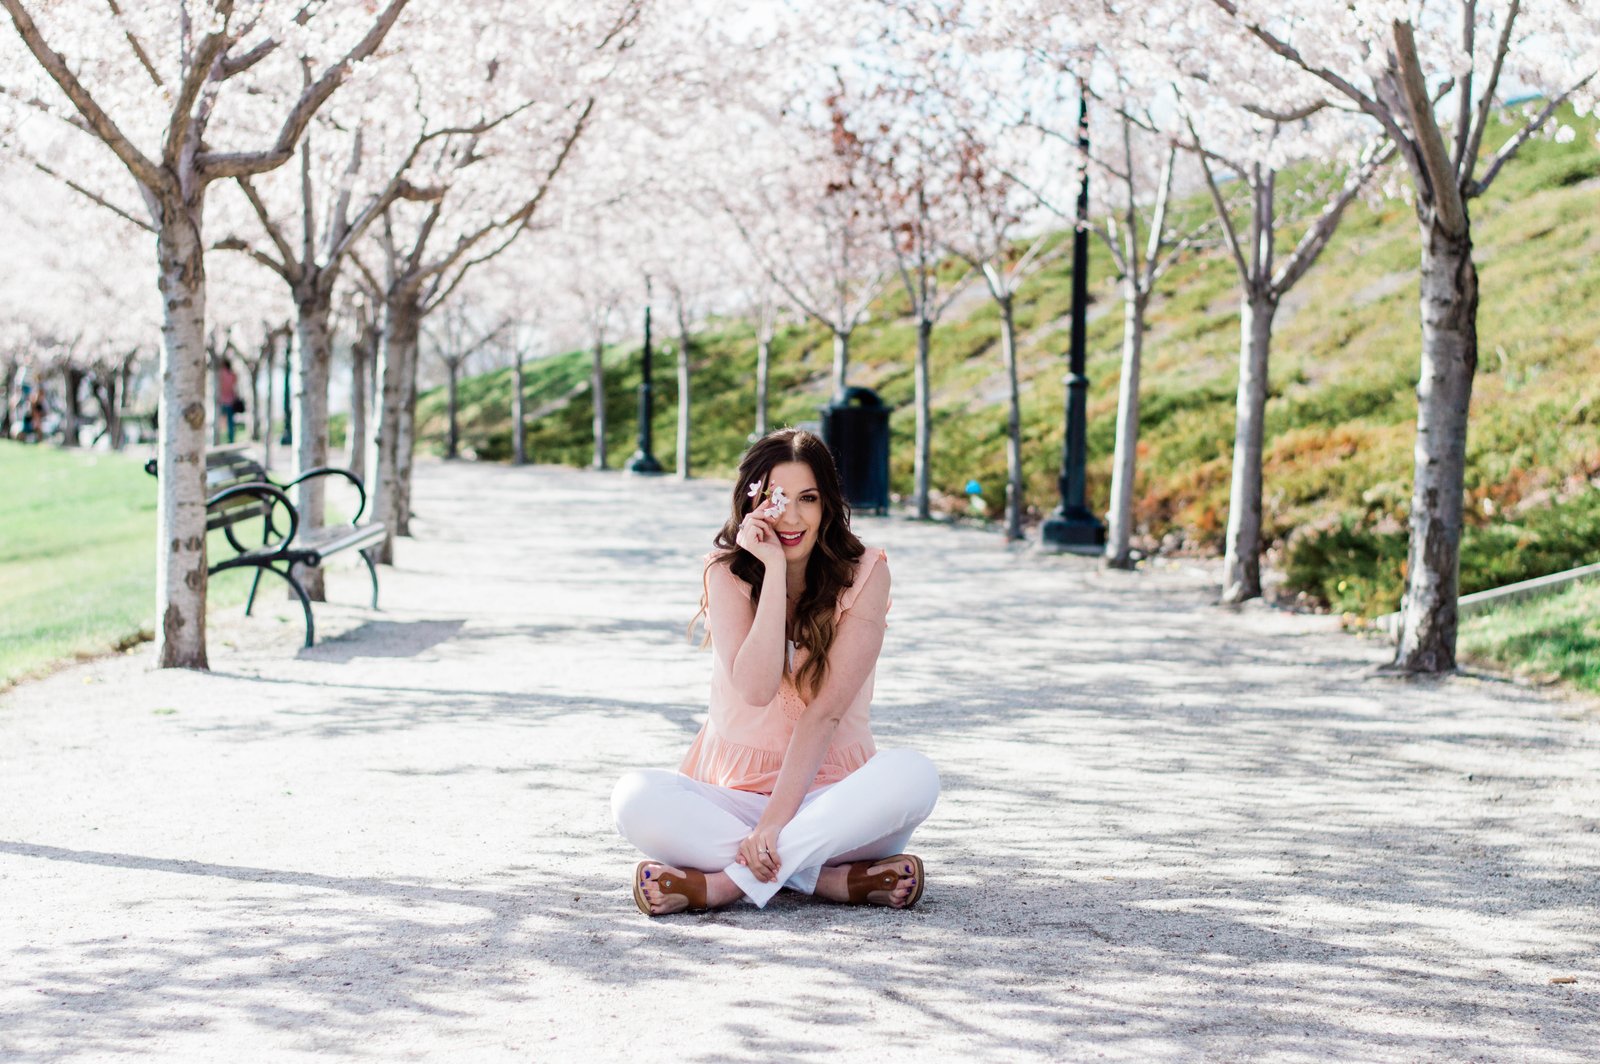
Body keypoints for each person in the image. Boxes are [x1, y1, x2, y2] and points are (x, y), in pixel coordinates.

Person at [612, 428, 940, 916]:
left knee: (914, 775)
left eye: (807, 498)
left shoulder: (866, 572)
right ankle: (821, 879)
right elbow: (756, 688)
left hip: (834, 805)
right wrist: (769, 571)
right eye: (775, 498)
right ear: (751, 504)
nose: (790, 515)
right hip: (733, 800)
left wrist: (774, 825)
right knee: (633, 798)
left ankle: (728, 884)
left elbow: (825, 714)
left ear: (828, 503)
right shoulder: (726, 573)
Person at [216, 358, 239, 443]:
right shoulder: (233, 375)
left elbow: (219, 387)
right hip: (231, 401)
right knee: (230, 422)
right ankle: (231, 439)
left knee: (222, 422)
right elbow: (235, 388)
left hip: (222, 401)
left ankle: (220, 439)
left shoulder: (220, 374)